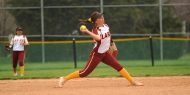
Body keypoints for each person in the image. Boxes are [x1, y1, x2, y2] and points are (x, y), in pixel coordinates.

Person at [58, 11, 143, 87]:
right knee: (84, 73)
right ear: (96, 21)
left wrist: (112, 44)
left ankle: (132, 81)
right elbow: (98, 38)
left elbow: (108, 36)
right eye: (100, 17)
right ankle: (64, 79)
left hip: (105, 53)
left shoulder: (106, 26)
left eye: (102, 16)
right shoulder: (95, 30)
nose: (103, 18)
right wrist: (87, 31)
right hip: (97, 54)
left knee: (118, 66)